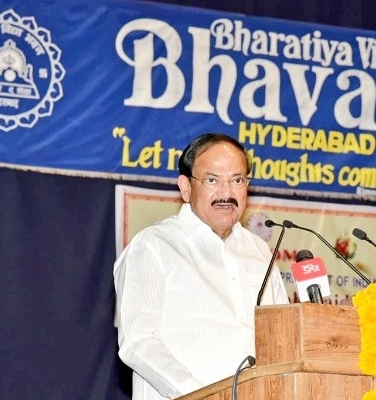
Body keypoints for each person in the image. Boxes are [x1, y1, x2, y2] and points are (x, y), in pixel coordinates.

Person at [113, 133, 289, 400]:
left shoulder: (260, 251)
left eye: (237, 180)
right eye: (212, 180)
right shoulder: (153, 246)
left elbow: (281, 337)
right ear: (186, 187)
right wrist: (203, 396)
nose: (226, 193)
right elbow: (138, 343)